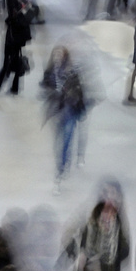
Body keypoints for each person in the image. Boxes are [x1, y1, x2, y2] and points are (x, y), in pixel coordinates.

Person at [40, 45, 88, 184]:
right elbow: (45, 86)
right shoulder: (50, 72)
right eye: (55, 54)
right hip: (57, 113)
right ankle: (62, 164)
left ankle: (62, 167)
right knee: (58, 142)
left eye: (60, 54)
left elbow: (80, 92)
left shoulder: (72, 72)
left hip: (70, 111)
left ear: (65, 56)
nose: (57, 57)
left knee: (66, 141)